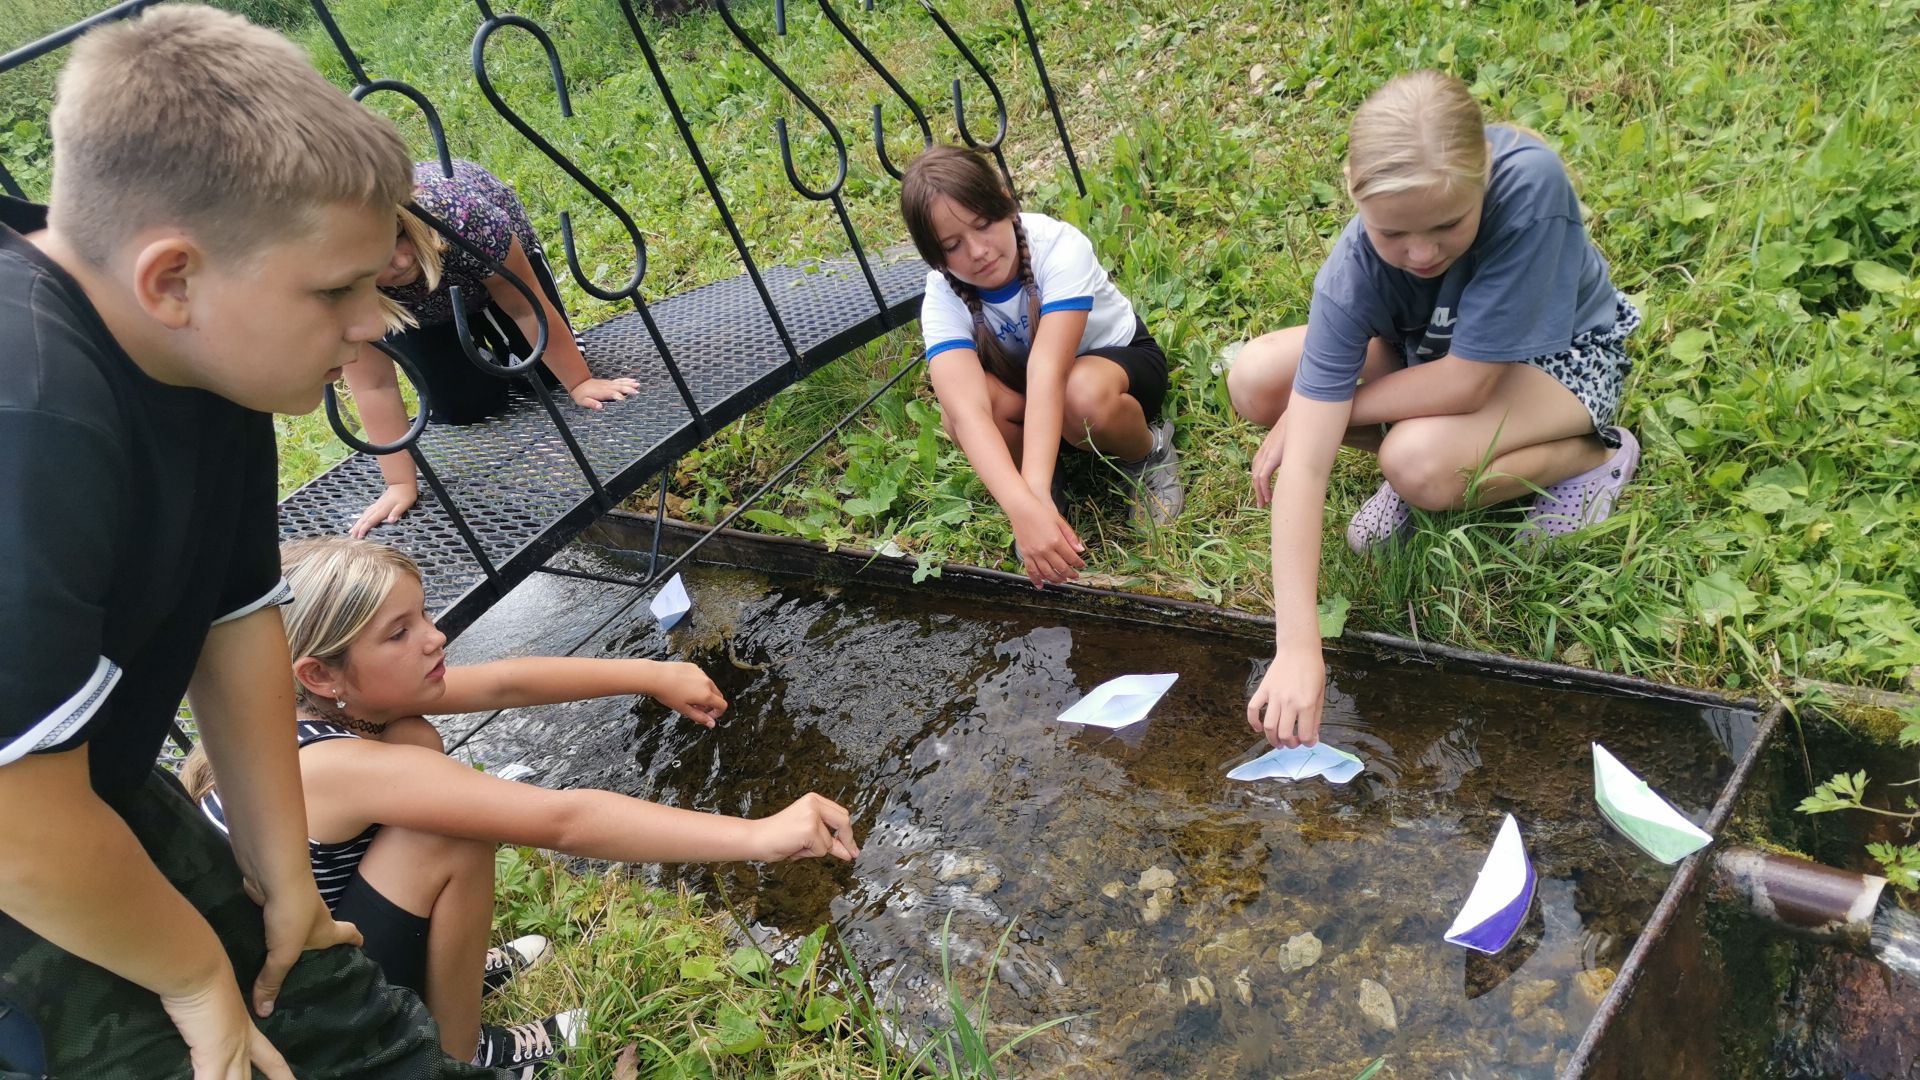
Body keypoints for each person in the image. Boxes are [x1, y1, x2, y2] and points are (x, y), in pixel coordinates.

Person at [0, 6, 508, 1078]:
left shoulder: (209, 350)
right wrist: (194, 979)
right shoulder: (32, 420)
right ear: (171, 277)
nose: (377, 322)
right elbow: (14, 820)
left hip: (84, 777)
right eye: (338, 288)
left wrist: (283, 877)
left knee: (334, 1011)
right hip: (20, 840)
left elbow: (234, 614)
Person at [183, 536, 862, 1075]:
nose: (434, 636)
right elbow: (563, 820)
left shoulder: (320, 708)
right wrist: (759, 835)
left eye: (422, 614)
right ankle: (454, 1054)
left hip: (312, 946)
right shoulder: (330, 765)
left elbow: (506, 681)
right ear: (320, 675)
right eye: (399, 632)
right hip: (303, 1013)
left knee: (417, 740)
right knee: (448, 833)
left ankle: (439, 970)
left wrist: (650, 674)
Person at [1229, 70, 1643, 751]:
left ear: (1480, 180)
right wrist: (1297, 647)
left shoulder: (1531, 188)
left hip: (1555, 361)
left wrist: (1321, 410)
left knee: (1414, 464)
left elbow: (1469, 385)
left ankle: (1594, 454)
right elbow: (1304, 472)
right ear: (1356, 194)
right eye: (1394, 234)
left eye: (1448, 226)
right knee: (1258, 381)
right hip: (1429, 352)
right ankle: (1446, 457)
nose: (1421, 253)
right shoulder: (1352, 269)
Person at [900, 145, 1183, 590]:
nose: (978, 251)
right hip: (1034, 396)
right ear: (934, 256)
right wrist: (1024, 508)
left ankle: (1148, 453)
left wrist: (1026, 492)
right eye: (953, 245)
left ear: (1004, 201)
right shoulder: (942, 295)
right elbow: (967, 412)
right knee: (957, 415)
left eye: (984, 224)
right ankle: (1052, 485)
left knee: (1079, 395)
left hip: (1113, 374)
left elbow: (1048, 370)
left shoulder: (1057, 246)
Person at [347, 159, 640, 538]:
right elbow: (374, 385)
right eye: (377, 258)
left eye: (398, 235)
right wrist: (400, 483)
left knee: (548, 372)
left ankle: (506, 345)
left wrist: (580, 382)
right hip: (418, 312)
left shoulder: (459, 215)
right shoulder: (340, 291)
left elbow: (525, 304)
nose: (400, 260)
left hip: (489, 272)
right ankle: (480, 355)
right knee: (463, 408)